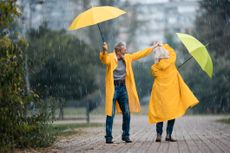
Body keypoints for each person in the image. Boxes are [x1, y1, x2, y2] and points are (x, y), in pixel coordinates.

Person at [100, 41, 160, 144]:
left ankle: (126, 135)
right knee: (110, 113)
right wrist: (104, 50)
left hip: (123, 88)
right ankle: (108, 137)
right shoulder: (110, 57)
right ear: (118, 50)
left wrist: (153, 47)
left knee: (127, 113)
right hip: (113, 88)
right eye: (124, 49)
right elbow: (104, 59)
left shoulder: (127, 58)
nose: (126, 50)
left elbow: (140, 54)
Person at [148, 43, 199, 142]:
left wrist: (158, 48)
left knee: (160, 113)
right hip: (171, 92)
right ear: (165, 53)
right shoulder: (171, 61)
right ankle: (168, 135)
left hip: (159, 93)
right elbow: (172, 52)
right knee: (172, 112)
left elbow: (155, 73)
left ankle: (158, 135)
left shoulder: (154, 67)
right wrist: (163, 45)